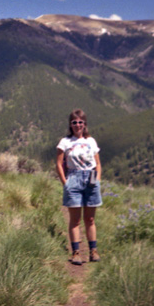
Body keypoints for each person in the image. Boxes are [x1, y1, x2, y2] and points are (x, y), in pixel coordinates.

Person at [55, 109, 102, 265]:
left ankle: (93, 251)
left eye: (80, 122)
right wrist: (65, 183)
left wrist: (96, 181)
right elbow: (59, 164)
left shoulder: (91, 141)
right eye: (74, 122)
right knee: (75, 220)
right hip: (73, 179)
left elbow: (98, 164)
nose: (77, 125)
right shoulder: (65, 142)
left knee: (90, 219)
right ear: (70, 124)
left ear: (84, 124)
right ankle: (75, 252)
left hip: (91, 178)